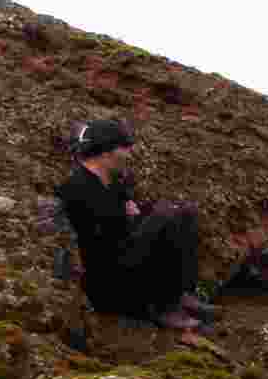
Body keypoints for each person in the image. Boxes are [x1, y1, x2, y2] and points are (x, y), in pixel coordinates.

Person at [53, 119, 209, 330]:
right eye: (124, 148)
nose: (128, 154)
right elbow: (103, 243)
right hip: (108, 281)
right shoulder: (77, 187)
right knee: (166, 216)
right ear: (105, 152)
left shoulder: (111, 180)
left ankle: (180, 294)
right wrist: (142, 220)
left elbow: (126, 217)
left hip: (126, 255)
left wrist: (136, 216)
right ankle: (164, 307)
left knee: (184, 212)